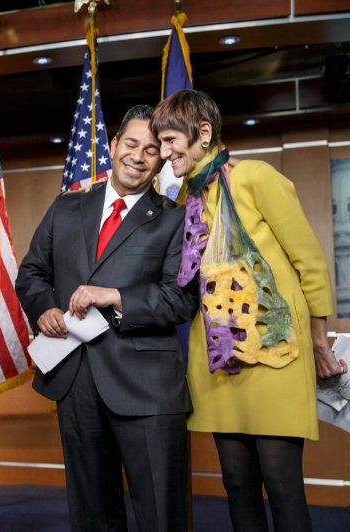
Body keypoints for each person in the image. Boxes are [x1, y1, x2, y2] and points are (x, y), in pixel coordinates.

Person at [151, 89, 338, 532]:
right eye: (160, 143)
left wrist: (319, 341)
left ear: (203, 133)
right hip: (219, 361)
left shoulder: (255, 177)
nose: (164, 152)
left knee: (281, 480)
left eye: (171, 140)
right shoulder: (186, 201)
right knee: (236, 481)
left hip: (276, 355)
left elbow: (308, 261)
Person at [16, 105, 198, 532]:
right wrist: (44, 309)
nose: (138, 156)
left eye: (152, 150)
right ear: (113, 145)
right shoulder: (66, 207)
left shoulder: (177, 218)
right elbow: (32, 272)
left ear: (162, 160)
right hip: (75, 381)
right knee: (93, 516)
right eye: (131, 144)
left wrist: (116, 296)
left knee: (161, 514)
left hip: (147, 390)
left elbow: (181, 299)